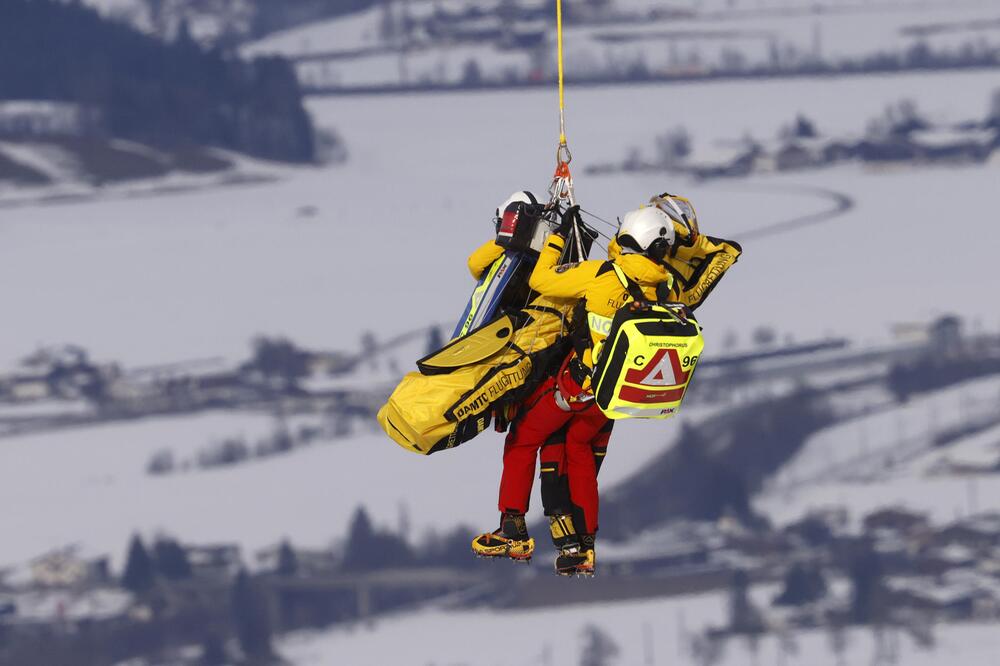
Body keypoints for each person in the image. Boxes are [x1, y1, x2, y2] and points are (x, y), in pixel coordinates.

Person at [475, 193, 741, 576]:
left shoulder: (601, 274)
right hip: (610, 397)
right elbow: (710, 257)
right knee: (577, 449)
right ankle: (583, 547)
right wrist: (688, 240)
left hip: (575, 389)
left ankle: (512, 528)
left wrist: (555, 239)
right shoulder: (666, 287)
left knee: (523, 439)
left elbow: (542, 280)